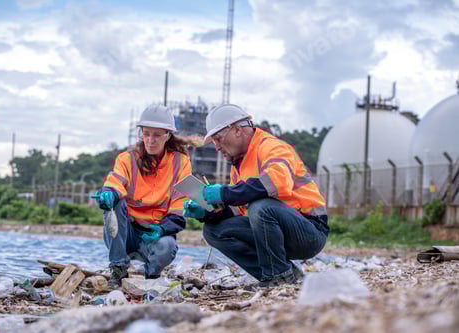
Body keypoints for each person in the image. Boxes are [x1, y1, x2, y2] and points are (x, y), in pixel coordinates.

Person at [183, 104, 329, 287]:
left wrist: (224, 192)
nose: (217, 147)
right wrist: (208, 213)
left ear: (237, 130)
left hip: (309, 231)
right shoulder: (240, 166)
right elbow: (240, 209)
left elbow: (276, 182)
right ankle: (281, 276)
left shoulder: (272, 147)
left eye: (218, 139)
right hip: (278, 230)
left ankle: (279, 276)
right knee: (213, 231)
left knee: (261, 207)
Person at [94, 104, 197, 288]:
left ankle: (152, 275)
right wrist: (107, 193)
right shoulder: (127, 159)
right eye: (146, 133)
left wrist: (163, 229)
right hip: (127, 233)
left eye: (157, 135)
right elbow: (115, 182)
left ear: (168, 135)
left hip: (154, 234)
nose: (150, 140)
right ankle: (118, 268)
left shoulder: (181, 163)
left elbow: (179, 208)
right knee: (115, 203)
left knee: (167, 246)